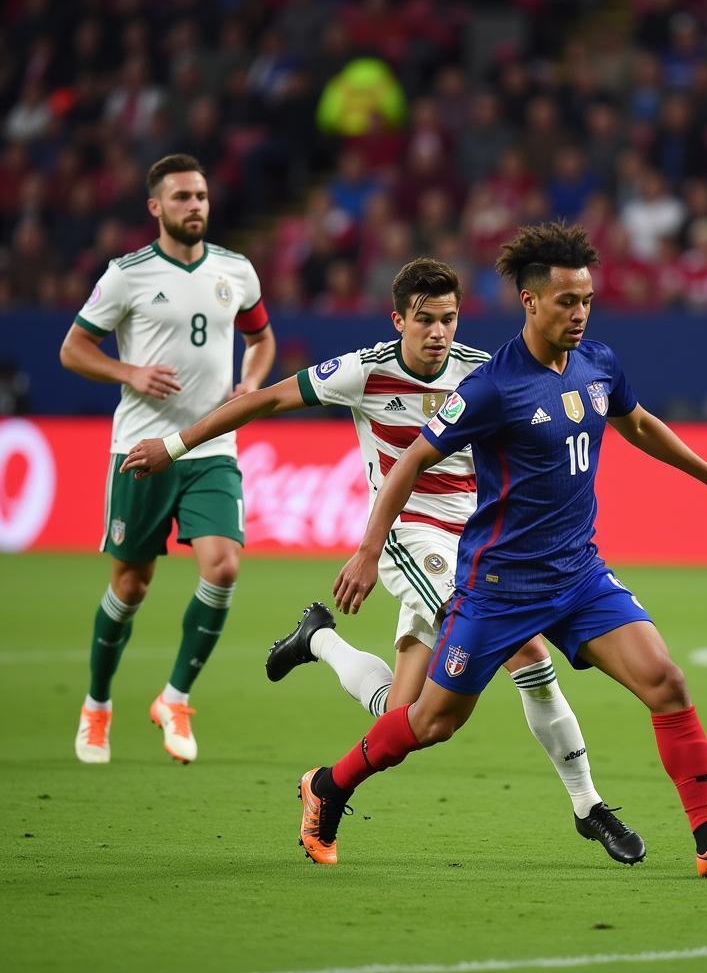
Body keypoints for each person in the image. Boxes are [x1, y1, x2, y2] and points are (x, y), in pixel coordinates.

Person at [119, 257, 645, 866]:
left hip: (479, 543)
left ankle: (319, 641)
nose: (438, 333)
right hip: (408, 537)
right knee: (528, 652)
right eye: (424, 320)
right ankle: (588, 806)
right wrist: (177, 445)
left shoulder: (483, 373)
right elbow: (264, 400)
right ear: (398, 318)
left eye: (448, 319)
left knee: (403, 715)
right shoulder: (363, 372)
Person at [300, 222, 707, 876]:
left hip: (579, 575)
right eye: (566, 301)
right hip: (499, 587)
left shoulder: (598, 363)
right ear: (530, 302)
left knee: (666, 682)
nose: (580, 313)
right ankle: (331, 784)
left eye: (586, 300)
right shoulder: (492, 387)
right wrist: (366, 550)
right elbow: (411, 461)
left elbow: (637, 422)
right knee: (431, 722)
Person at [59, 153, 276, 765]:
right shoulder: (125, 275)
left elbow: (261, 338)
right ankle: (97, 706)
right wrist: (127, 370)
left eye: (201, 197)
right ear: (155, 207)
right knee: (131, 585)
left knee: (224, 567)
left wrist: (251, 382)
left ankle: (175, 697)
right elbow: (73, 349)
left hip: (212, 445)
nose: (195, 207)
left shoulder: (237, 270)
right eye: (182, 198)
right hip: (141, 449)